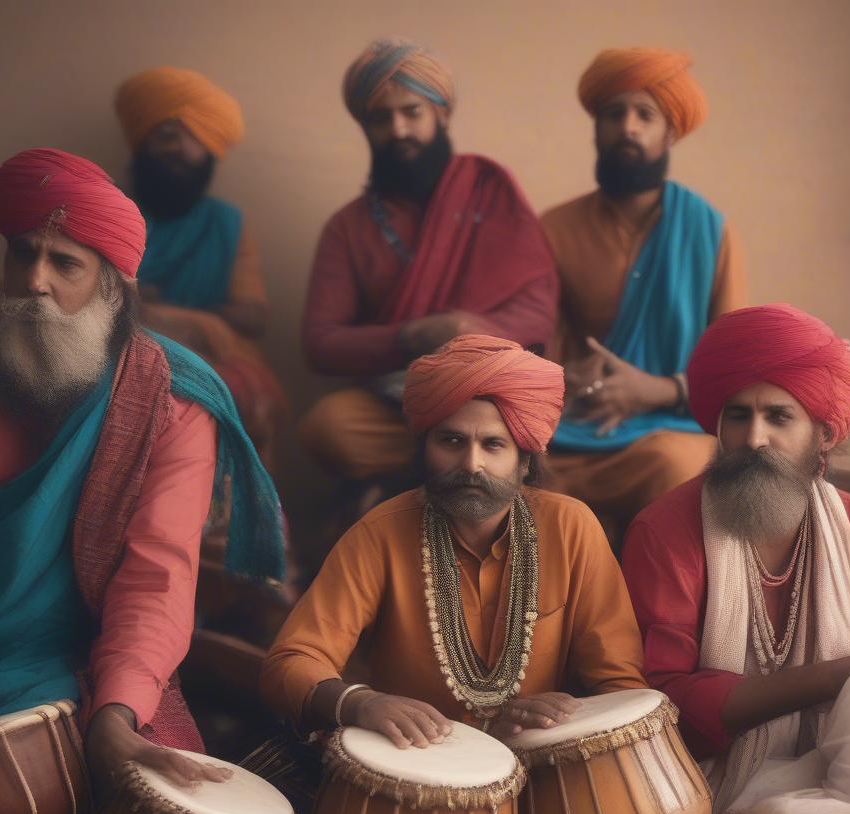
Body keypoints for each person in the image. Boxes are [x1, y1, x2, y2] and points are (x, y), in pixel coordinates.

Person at [0, 148, 285, 790]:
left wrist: (117, 712)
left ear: (113, 283)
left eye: (64, 262)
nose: (35, 280)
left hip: (73, 657)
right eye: (23, 253)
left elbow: (157, 574)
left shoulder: (173, 400)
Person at [622, 304, 850, 814]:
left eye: (779, 417)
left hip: (842, 755)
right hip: (717, 773)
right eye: (737, 415)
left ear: (822, 434)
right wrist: (835, 676)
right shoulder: (665, 529)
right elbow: (661, 700)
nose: (753, 437)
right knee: (805, 810)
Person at [262, 335, 645, 745]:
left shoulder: (571, 527)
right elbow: (291, 661)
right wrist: (362, 704)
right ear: (424, 448)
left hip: (547, 763)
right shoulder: (380, 533)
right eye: (452, 441)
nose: (471, 464)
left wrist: (570, 713)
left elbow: (620, 682)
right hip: (420, 765)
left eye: (493, 444)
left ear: (525, 459)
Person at [298, 39, 558, 489]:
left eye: (412, 112)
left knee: (539, 438)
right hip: (398, 404)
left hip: (493, 395)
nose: (398, 129)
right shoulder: (348, 227)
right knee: (329, 427)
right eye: (381, 118)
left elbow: (539, 311)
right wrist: (407, 338)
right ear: (366, 127)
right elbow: (322, 342)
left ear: (441, 114)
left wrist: (467, 334)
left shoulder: (489, 193)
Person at [543, 48, 746, 541]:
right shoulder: (552, 229)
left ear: (670, 132)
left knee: (675, 466)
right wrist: (572, 379)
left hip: (665, 433)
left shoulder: (709, 231)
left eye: (645, 115)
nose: (628, 127)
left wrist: (659, 390)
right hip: (574, 431)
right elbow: (535, 349)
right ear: (596, 127)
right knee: (518, 472)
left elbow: (737, 366)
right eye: (614, 114)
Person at [115, 66, 286, 465]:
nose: (179, 148)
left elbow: (255, 315)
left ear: (210, 146)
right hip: (119, 351)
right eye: (165, 134)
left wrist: (180, 318)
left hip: (215, 356)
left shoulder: (228, 224)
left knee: (237, 392)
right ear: (141, 142)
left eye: (193, 136)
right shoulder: (110, 211)